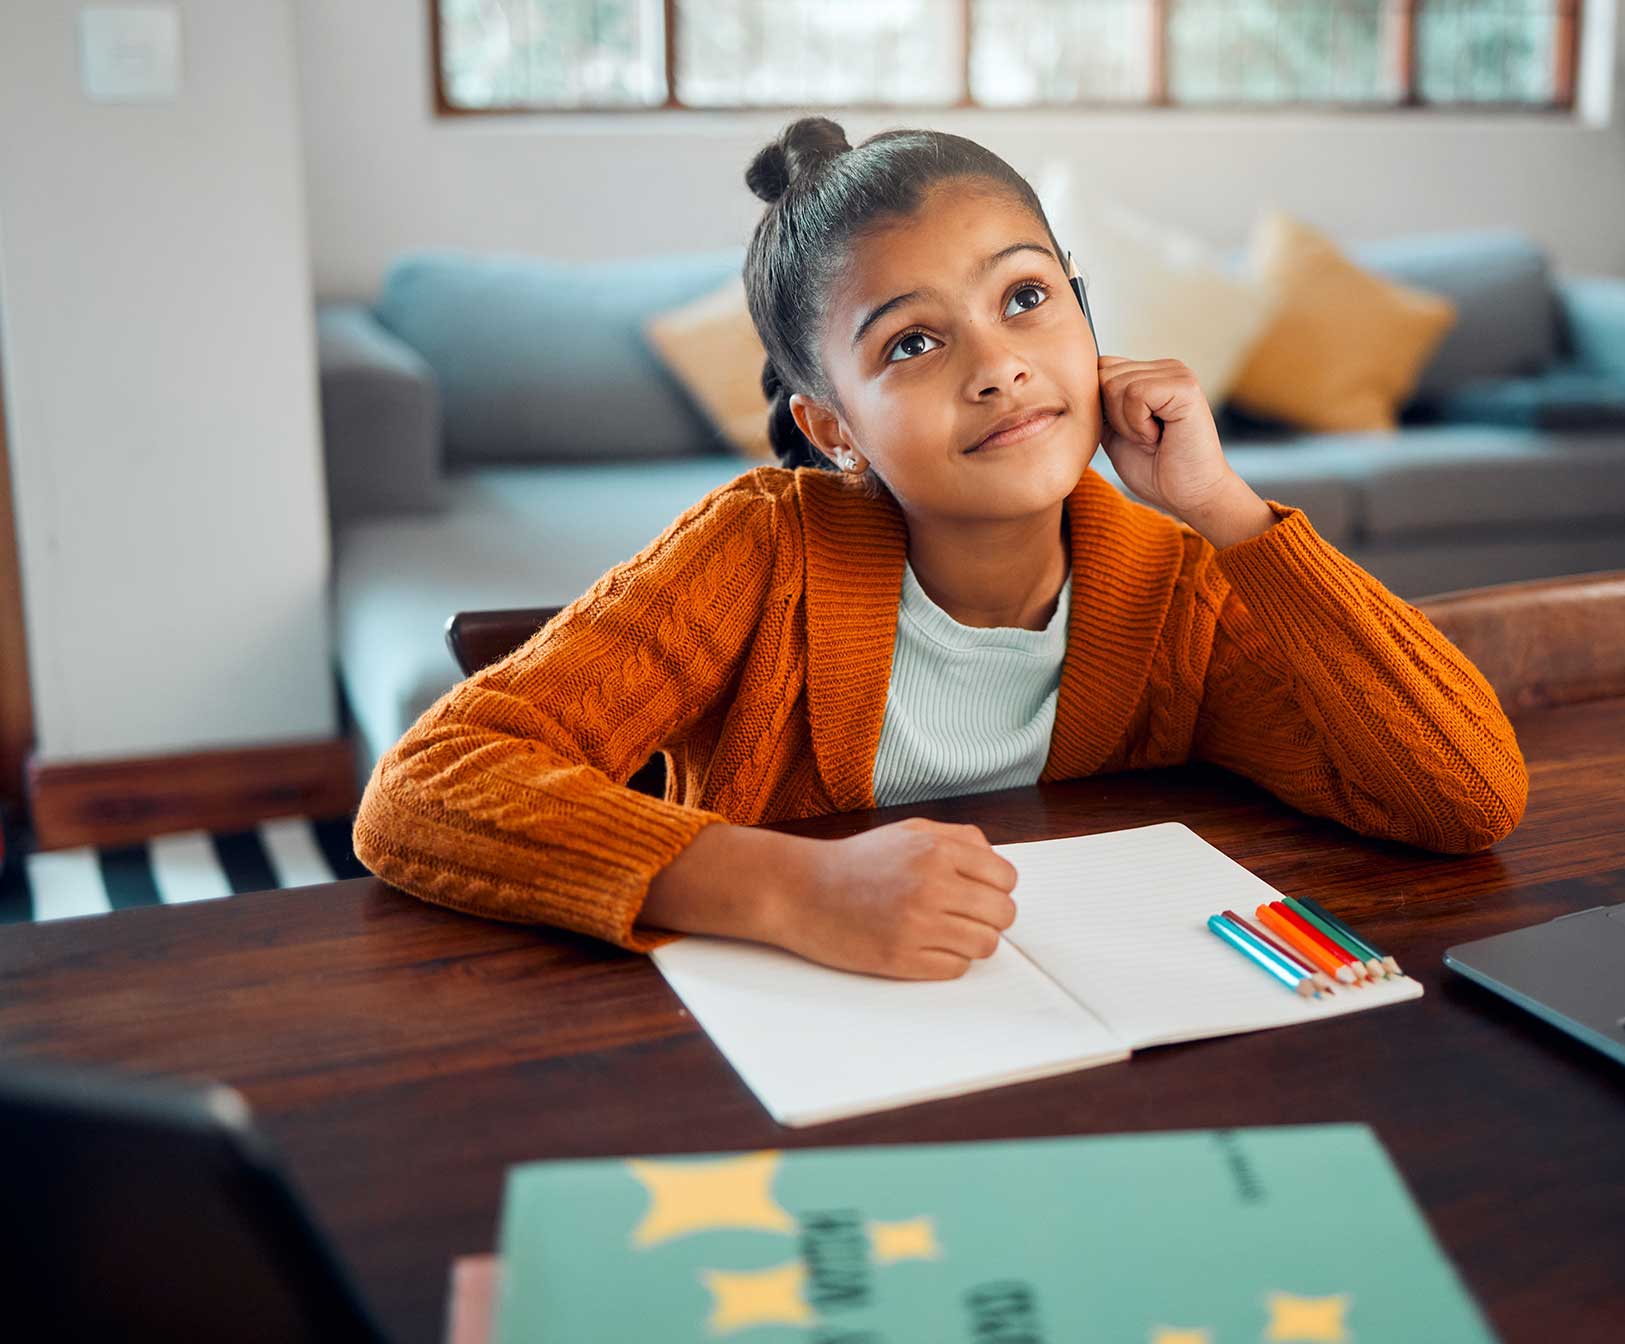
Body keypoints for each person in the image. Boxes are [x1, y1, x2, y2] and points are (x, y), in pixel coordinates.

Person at [352, 116, 1529, 981]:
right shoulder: (759, 553)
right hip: (784, 1036)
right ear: (831, 429)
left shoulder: (1171, 586)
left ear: (1084, 317)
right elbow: (425, 789)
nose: (996, 365)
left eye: (1025, 299)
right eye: (912, 343)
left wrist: (1226, 512)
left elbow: (1463, 794)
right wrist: (793, 886)